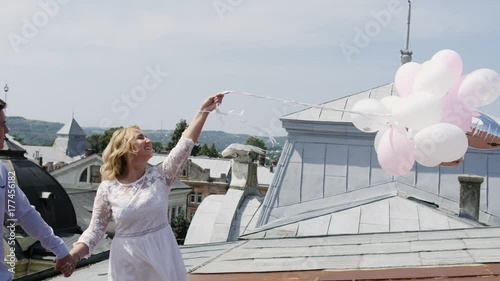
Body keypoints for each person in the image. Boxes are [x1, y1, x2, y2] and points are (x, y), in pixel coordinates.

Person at [69, 93, 225, 280]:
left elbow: (185, 145)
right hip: (127, 265)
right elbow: (95, 231)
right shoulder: (108, 188)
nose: (148, 140)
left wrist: (204, 110)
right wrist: (74, 255)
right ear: (125, 149)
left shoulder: (161, 176)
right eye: (140, 137)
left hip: (162, 259)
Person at [0, 99, 76, 280]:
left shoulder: (1, 171)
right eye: (2, 125)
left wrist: (59, 248)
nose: (7, 131)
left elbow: (25, 213)